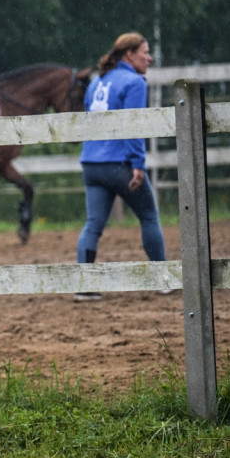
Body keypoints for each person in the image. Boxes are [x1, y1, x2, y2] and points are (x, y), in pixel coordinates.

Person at [74, 32, 166, 302]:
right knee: (149, 216)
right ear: (130, 54)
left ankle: (84, 284)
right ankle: (163, 278)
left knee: (93, 225)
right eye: (145, 52)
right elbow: (133, 125)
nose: (149, 58)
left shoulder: (98, 81)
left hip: (92, 163)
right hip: (120, 164)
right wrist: (138, 164)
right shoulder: (135, 82)